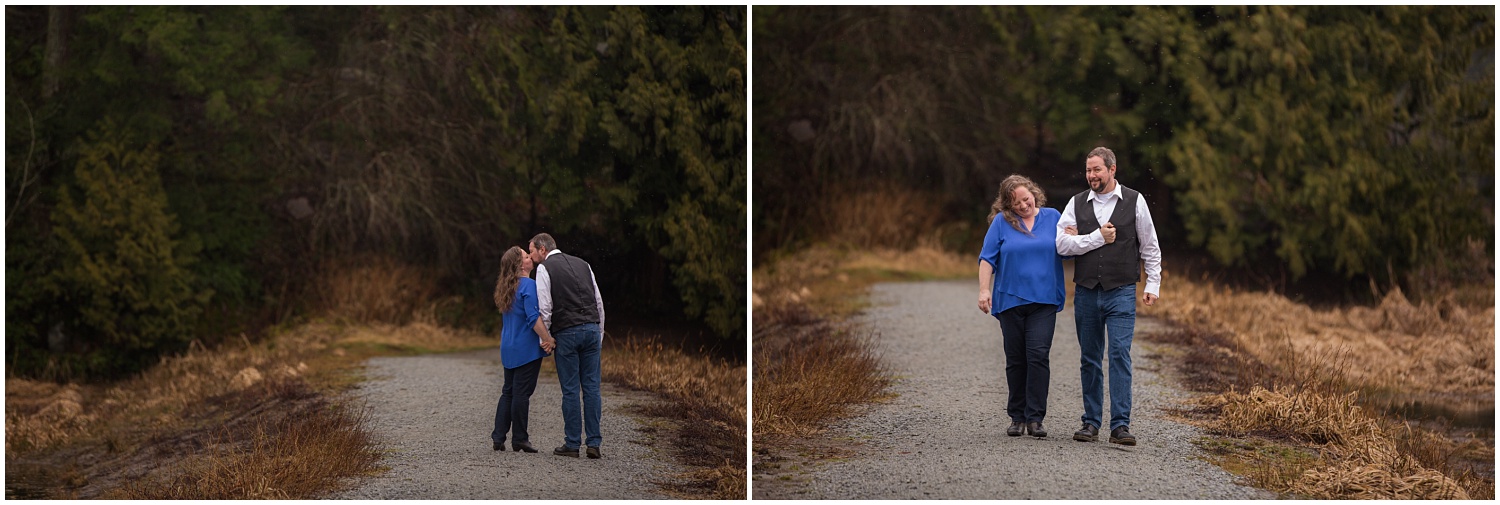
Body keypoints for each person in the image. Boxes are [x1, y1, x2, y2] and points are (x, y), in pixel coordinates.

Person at [1056, 146, 1162, 446]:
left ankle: (1120, 425)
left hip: (1122, 291)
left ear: (1112, 169)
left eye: (1097, 170)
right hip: (1087, 291)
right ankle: (1090, 423)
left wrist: (1153, 285)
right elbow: (1061, 246)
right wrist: (1093, 238)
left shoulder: (1135, 200)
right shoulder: (1076, 203)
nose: (1091, 175)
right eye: (1088, 170)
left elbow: (1150, 246)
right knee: (1089, 358)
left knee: (1118, 355)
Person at [977, 174, 1067, 438]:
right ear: (1007, 205)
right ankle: (1017, 416)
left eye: (1026, 199)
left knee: (1038, 355)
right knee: (1016, 359)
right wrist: (984, 290)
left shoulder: (1054, 217)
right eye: (1016, 203)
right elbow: (987, 258)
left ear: (1034, 193)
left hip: (1044, 300)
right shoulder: (1001, 223)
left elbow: (1069, 248)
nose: (1024, 206)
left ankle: (1035, 418)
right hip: (1010, 301)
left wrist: (1073, 236)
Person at [528, 232, 606, 459]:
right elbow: (598, 301)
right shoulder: (584, 264)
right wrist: (598, 332)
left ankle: (572, 444)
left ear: (543, 249)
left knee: (571, 389)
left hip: (567, 332)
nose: (532, 257)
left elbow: (545, 307)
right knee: (592, 387)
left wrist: (548, 337)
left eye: (532, 251)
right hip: (591, 328)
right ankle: (593, 443)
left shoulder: (545, 268)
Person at [491, 246, 555, 453]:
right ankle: (520, 438)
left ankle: (498, 437)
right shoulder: (528, 284)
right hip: (525, 349)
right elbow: (532, 318)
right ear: (520, 265)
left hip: (508, 347)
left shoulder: (506, 287)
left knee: (507, 392)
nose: (530, 259)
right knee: (521, 394)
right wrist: (548, 339)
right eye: (527, 257)